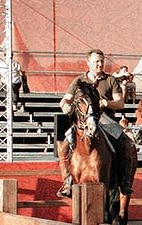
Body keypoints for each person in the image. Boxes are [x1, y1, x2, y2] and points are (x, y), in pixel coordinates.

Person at [56, 49, 133, 198]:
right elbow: (65, 99)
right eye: (96, 61)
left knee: (125, 143)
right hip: (83, 119)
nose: (100, 64)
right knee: (63, 147)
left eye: (101, 61)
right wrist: (65, 105)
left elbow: (120, 103)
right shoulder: (79, 81)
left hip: (105, 118)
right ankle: (67, 181)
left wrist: (107, 102)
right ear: (88, 63)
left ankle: (125, 181)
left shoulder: (111, 80)